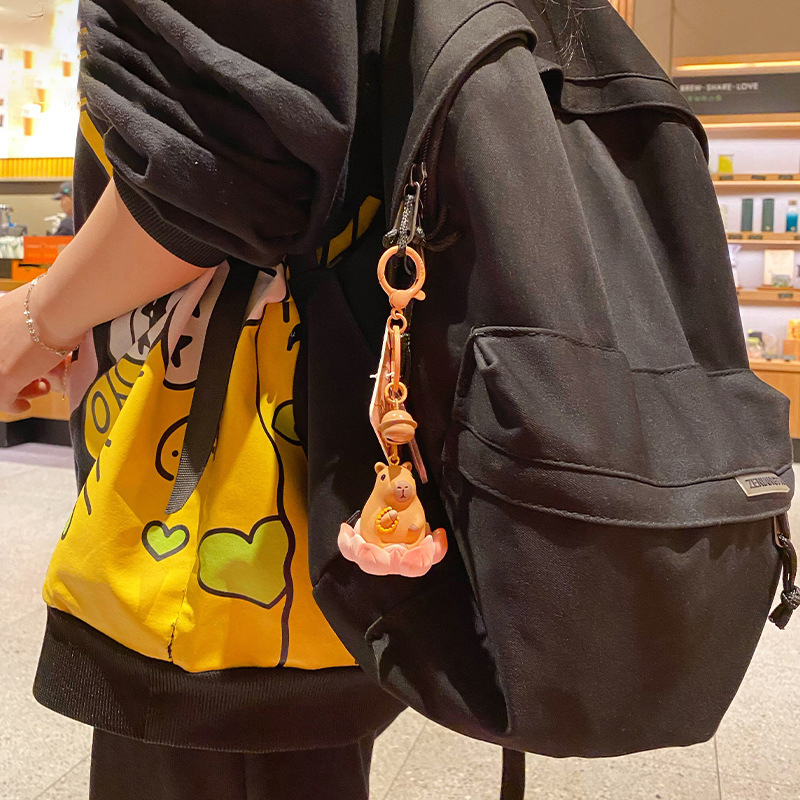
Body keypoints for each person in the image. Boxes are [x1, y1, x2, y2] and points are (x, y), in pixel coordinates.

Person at [0, 1, 403, 798]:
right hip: (295, 472)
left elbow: (216, 169)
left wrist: (36, 319)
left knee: (223, 737)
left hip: (217, 514)